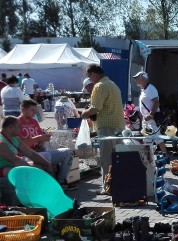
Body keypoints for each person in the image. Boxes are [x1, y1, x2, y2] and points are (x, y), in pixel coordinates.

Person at [81, 64, 125, 195]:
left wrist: (84, 114)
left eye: (89, 76)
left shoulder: (100, 86)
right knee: (117, 157)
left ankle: (107, 187)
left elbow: (95, 108)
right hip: (118, 126)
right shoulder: (112, 84)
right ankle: (118, 183)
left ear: (94, 73)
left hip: (106, 127)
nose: (90, 79)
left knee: (106, 158)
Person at [17, 99, 75, 190]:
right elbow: (19, 145)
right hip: (26, 156)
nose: (34, 113)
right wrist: (38, 138)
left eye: (35, 111)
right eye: (32, 110)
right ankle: (51, 187)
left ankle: (61, 181)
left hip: (39, 152)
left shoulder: (34, 121)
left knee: (68, 152)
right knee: (44, 159)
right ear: (23, 110)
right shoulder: (16, 123)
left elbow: (40, 137)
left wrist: (42, 141)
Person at [132, 71, 169, 155]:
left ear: (144, 79)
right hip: (146, 120)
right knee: (147, 139)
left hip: (151, 119)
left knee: (157, 138)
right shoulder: (144, 89)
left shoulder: (150, 88)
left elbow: (156, 103)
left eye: (137, 79)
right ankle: (149, 157)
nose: (136, 80)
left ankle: (164, 155)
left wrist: (151, 115)